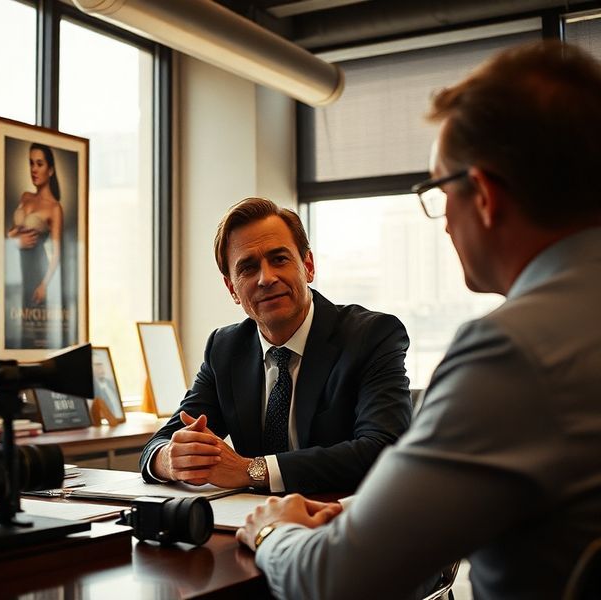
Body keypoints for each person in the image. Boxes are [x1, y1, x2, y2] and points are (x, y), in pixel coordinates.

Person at [236, 40, 601, 600]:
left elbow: (336, 581)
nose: (446, 221)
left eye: (438, 190)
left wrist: (273, 530)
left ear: (482, 195)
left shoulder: (511, 352)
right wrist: (363, 513)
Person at [139, 197, 411, 494]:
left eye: (279, 259)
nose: (266, 278)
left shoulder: (371, 336)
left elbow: (383, 450)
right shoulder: (225, 348)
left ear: (307, 266)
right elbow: (163, 441)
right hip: (248, 523)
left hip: (340, 521)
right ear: (232, 289)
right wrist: (170, 458)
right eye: (247, 268)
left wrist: (250, 470)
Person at [7, 143, 64, 348]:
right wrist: (13, 240)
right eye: (31, 163)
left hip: (37, 268)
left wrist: (44, 285)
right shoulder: (25, 196)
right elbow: (11, 233)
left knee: (31, 326)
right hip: (17, 267)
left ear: (50, 170)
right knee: (15, 320)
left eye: (39, 164)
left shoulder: (55, 208)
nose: (33, 169)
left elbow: (56, 253)